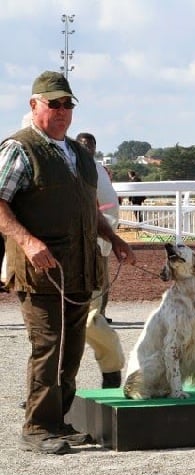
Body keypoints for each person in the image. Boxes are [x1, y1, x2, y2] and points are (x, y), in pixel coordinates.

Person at [0, 71, 135, 454]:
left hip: (79, 268)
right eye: (53, 103)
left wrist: (113, 238)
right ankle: (37, 427)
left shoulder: (79, 154)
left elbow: (88, 208)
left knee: (71, 350)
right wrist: (27, 241)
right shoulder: (19, 148)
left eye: (67, 104)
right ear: (34, 105)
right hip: (40, 272)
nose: (61, 110)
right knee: (49, 347)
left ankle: (59, 421)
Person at [75, 131, 126, 388]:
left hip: (90, 249)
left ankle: (111, 367)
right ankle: (45, 387)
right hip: (64, 252)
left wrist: (109, 241)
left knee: (89, 316)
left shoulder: (91, 169)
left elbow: (106, 208)